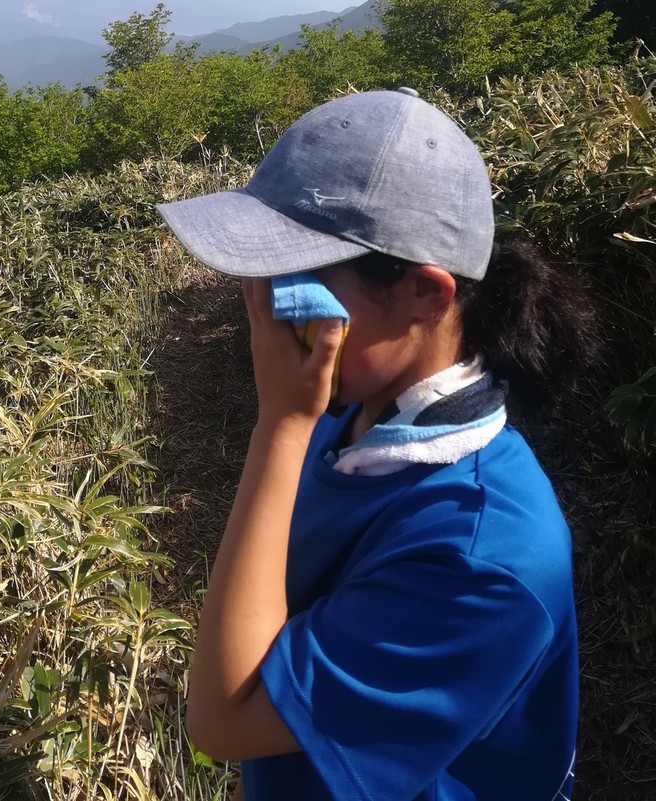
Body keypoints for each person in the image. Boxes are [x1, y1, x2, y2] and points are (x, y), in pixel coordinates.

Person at [156, 88, 592, 801]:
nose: (265, 311)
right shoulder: (352, 417)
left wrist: (279, 426)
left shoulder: (486, 558)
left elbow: (223, 719)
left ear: (426, 293)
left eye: (296, 281)